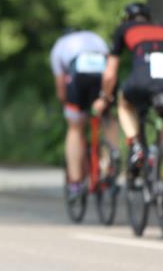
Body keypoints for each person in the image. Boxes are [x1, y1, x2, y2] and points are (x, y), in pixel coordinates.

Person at [94, 2, 163, 202]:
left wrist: (104, 97)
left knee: (124, 102)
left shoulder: (124, 29)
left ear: (127, 18)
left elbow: (110, 74)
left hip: (144, 76)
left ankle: (135, 143)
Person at [49, 28, 117, 200]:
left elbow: (61, 89)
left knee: (75, 128)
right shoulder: (95, 37)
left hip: (79, 75)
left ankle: (75, 182)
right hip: (102, 73)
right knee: (107, 118)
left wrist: (69, 108)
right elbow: (110, 65)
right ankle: (110, 163)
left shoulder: (59, 46)